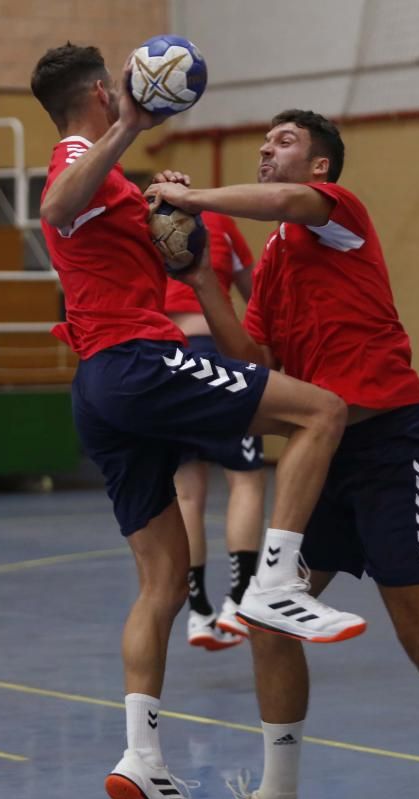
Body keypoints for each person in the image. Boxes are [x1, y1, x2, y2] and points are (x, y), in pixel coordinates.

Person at [146, 110, 419, 799]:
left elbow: (284, 202)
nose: (266, 150)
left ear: (320, 167)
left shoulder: (336, 214)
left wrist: (191, 198)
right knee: (263, 622)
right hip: (326, 459)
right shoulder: (279, 262)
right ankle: (277, 791)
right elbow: (254, 359)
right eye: (263, 142)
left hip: (393, 447)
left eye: (283, 141)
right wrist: (202, 280)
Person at [29, 46, 366, 799]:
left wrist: (168, 209)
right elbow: (54, 205)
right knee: (322, 410)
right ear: (98, 91)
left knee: (162, 584)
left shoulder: (109, 175)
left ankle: (140, 759)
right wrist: (132, 129)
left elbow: (128, 239)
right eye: (114, 84)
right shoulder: (82, 152)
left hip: (100, 383)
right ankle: (277, 581)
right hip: (137, 359)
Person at [165, 210, 265, 652]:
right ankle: (239, 600)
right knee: (244, 480)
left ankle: (198, 610)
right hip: (219, 356)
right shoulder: (221, 223)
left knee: (187, 492)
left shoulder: (143, 222)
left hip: (168, 362)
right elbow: (257, 293)